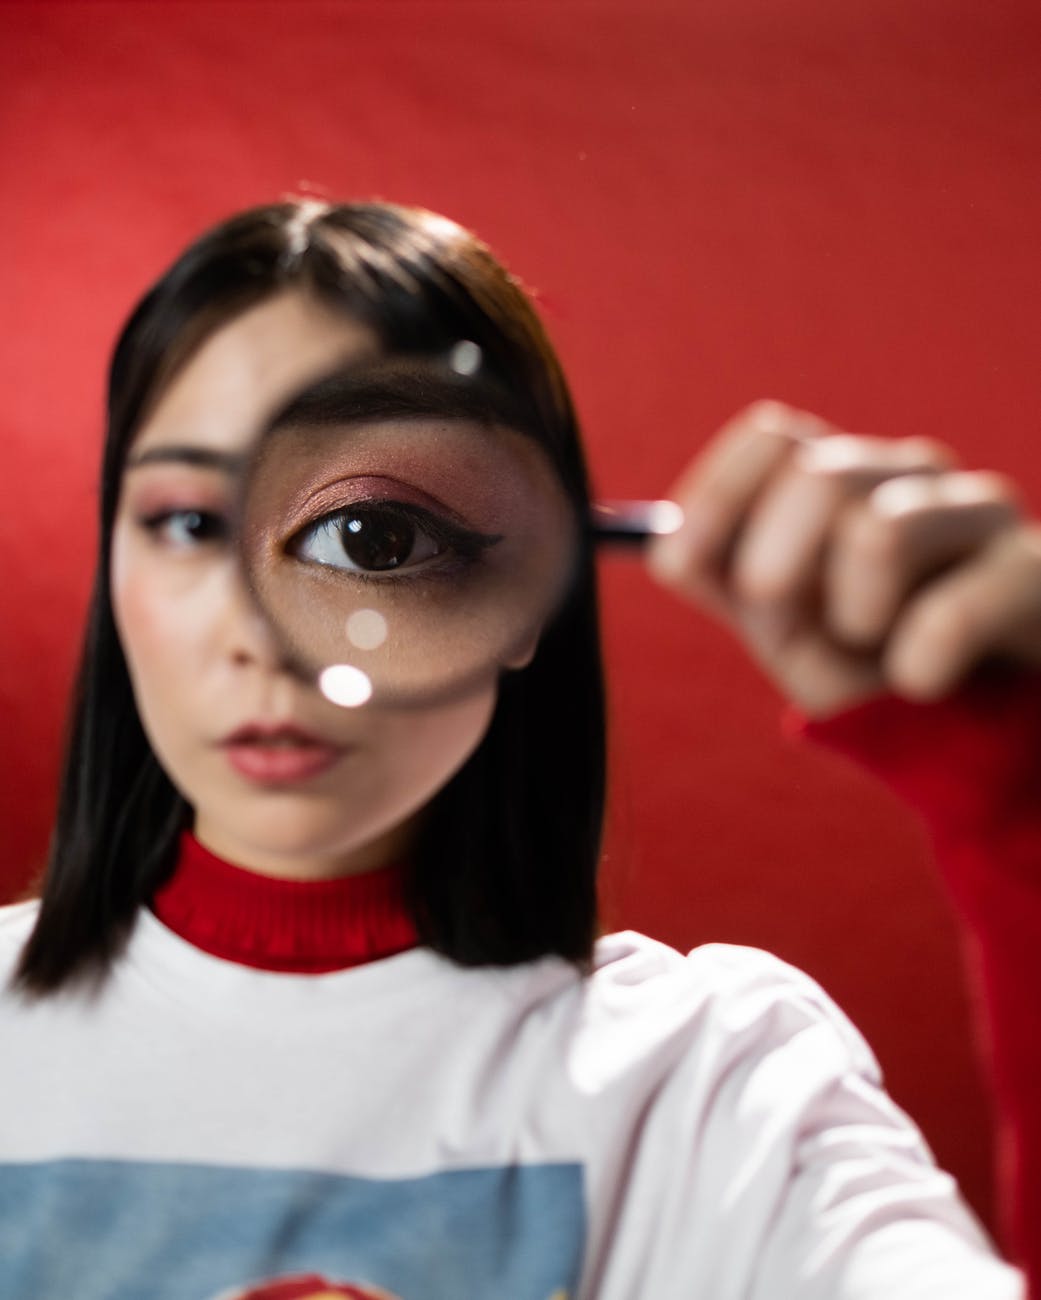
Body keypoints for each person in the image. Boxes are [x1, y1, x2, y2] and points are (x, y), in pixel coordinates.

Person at [1, 200, 1037, 1299]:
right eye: (189, 523)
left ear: (526, 592)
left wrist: (1019, 807)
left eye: (372, 535)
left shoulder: (708, 1077)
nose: (254, 637)